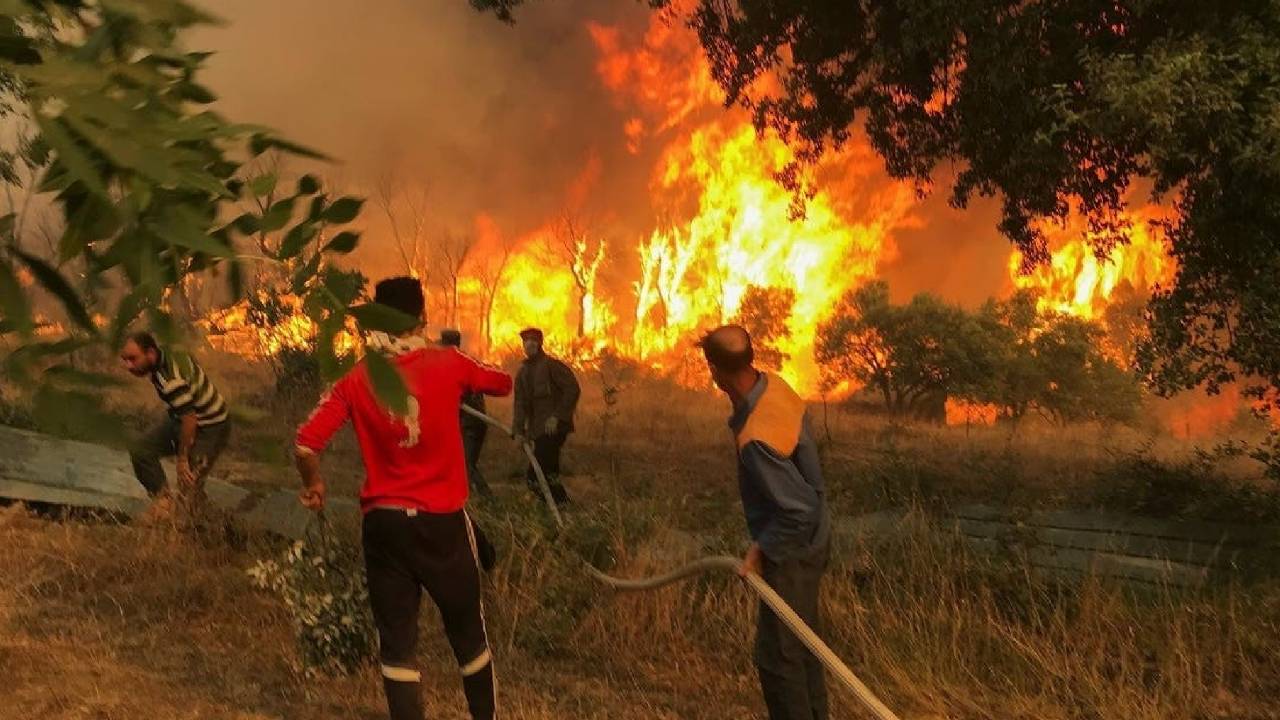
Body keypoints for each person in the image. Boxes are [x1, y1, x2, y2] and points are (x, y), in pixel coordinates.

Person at [294, 277, 512, 720]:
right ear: (422, 317)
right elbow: (502, 383)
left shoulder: (356, 377)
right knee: (469, 637)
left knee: (397, 646)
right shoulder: (448, 362)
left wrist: (314, 484)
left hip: (384, 526)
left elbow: (305, 444)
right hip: (442, 525)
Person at [698, 324, 831, 720]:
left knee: (779, 659)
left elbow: (797, 510)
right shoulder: (773, 386)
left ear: (715, 371)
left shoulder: (757, 437)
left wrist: (761, 548)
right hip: (813, 538)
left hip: (794, 551)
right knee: (803, 647)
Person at [120, 331, 231, 523]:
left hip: (211, 426)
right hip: (181, 416)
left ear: (151, 353)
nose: (128, 365)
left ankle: (208, 522)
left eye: (133, 359)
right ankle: (163, 502)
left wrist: (182, 458)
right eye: (125, 359)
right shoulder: (166, 356)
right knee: (141, 450)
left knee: (188, 485)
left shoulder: (170, 381)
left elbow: (190, 420)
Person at [511, 327, 579, 505]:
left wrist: (557, 417)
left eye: (534, 341)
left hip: (554, 429)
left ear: (540, 343)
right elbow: (520, 404)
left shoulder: (551, 366)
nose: (530, 344)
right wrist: (518, 431)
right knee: (548, 473)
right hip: (538, 430)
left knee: (535, 477)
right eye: (526, 341)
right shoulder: (523, 373)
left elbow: (572, 389)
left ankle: (559, 505)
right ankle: (560, 507)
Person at [440, 329, 492, 499]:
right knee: (460, 463)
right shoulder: (465, 362)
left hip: (472, 423)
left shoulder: (458, 364)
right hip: (467, 423)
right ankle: (467, 497)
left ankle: (487, 498)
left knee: (466, 464)